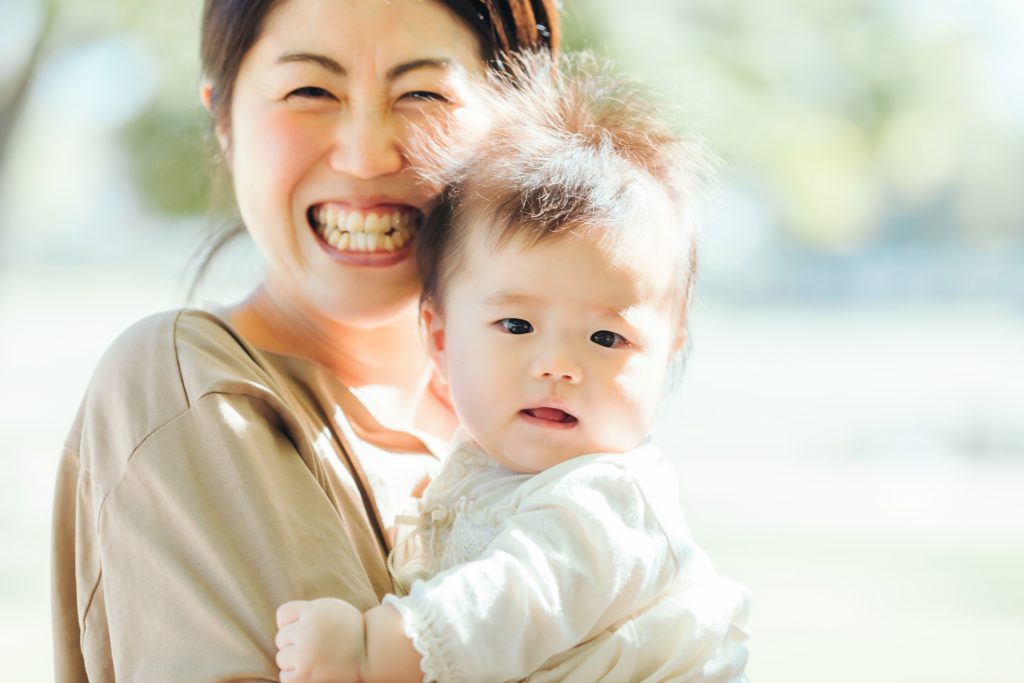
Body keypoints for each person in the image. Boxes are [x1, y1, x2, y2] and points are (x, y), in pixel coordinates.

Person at [51, 1, 559, 680]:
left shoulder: (547, 416)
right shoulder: (189, 393)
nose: (366, 153)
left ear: (519, 125)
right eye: (311, 90)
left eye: (422, 93)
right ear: (224, 122)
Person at [273, 51, 751, 683]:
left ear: (669, 350)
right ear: (439, 338)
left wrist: (371, 651)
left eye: (607, 337)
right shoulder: (480, 464)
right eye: (518, 327)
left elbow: (516, 601)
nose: (558, 365)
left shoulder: (609, 499)